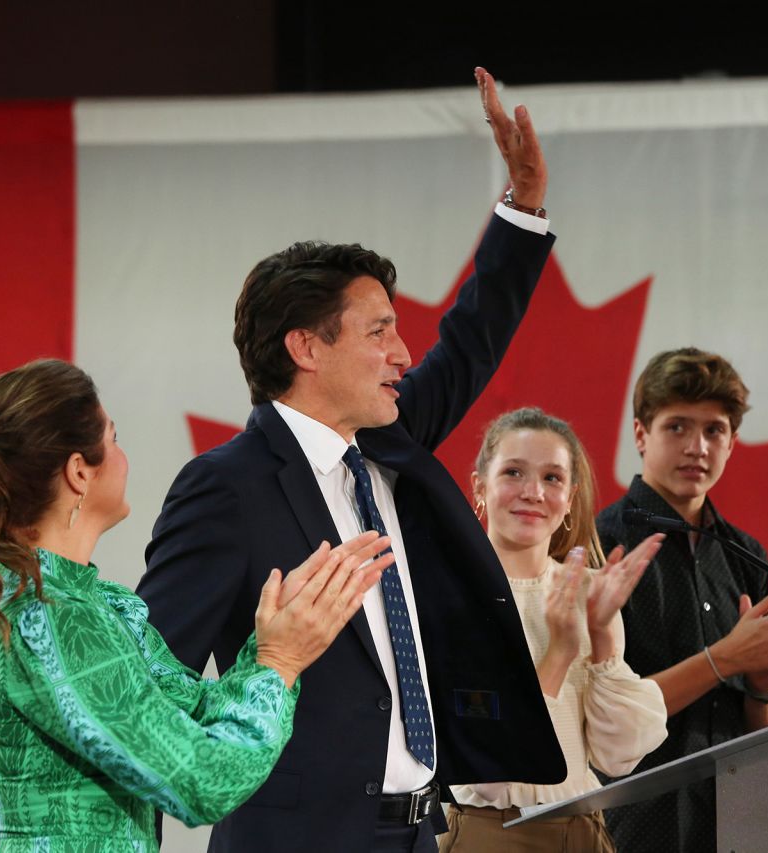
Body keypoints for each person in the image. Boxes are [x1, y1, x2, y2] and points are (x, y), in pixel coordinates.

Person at [138, 68, 566, 853]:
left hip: (420, 835)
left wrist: (525, 202)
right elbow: (150, 686)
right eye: (377, 332)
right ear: (306, 347)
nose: (403, 353)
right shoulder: (223, 488)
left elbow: (470, 341)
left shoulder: (387, 445)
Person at [0, 358, 393, 852]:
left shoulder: (95, 602)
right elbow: (203, 784)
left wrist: (271, 639)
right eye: (113, 438)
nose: (124, 457)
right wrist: (280, 663)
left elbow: (193, 715)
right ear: (79, 472)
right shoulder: (49, 616)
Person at [594, 347, 768, 852]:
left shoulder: (747, 557)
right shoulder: (601, 545)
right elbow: (603, 716)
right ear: (640, 434)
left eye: (714, 430)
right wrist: (727, 659)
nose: (697, 446)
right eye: (677, 427)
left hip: (738, 821)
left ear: (732, 442)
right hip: (630, 826)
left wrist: (761, 686)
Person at [438, 408, 668, 852]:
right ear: (479, 487)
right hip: (490, 834)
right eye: (514, 472)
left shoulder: (588, 593)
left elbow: (617, 756)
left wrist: (600, 633)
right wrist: (561, 650)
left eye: (552, 478)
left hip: (585, 830)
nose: (532, 492)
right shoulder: (447, 596)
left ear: (570, 497)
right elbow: (490, 767)